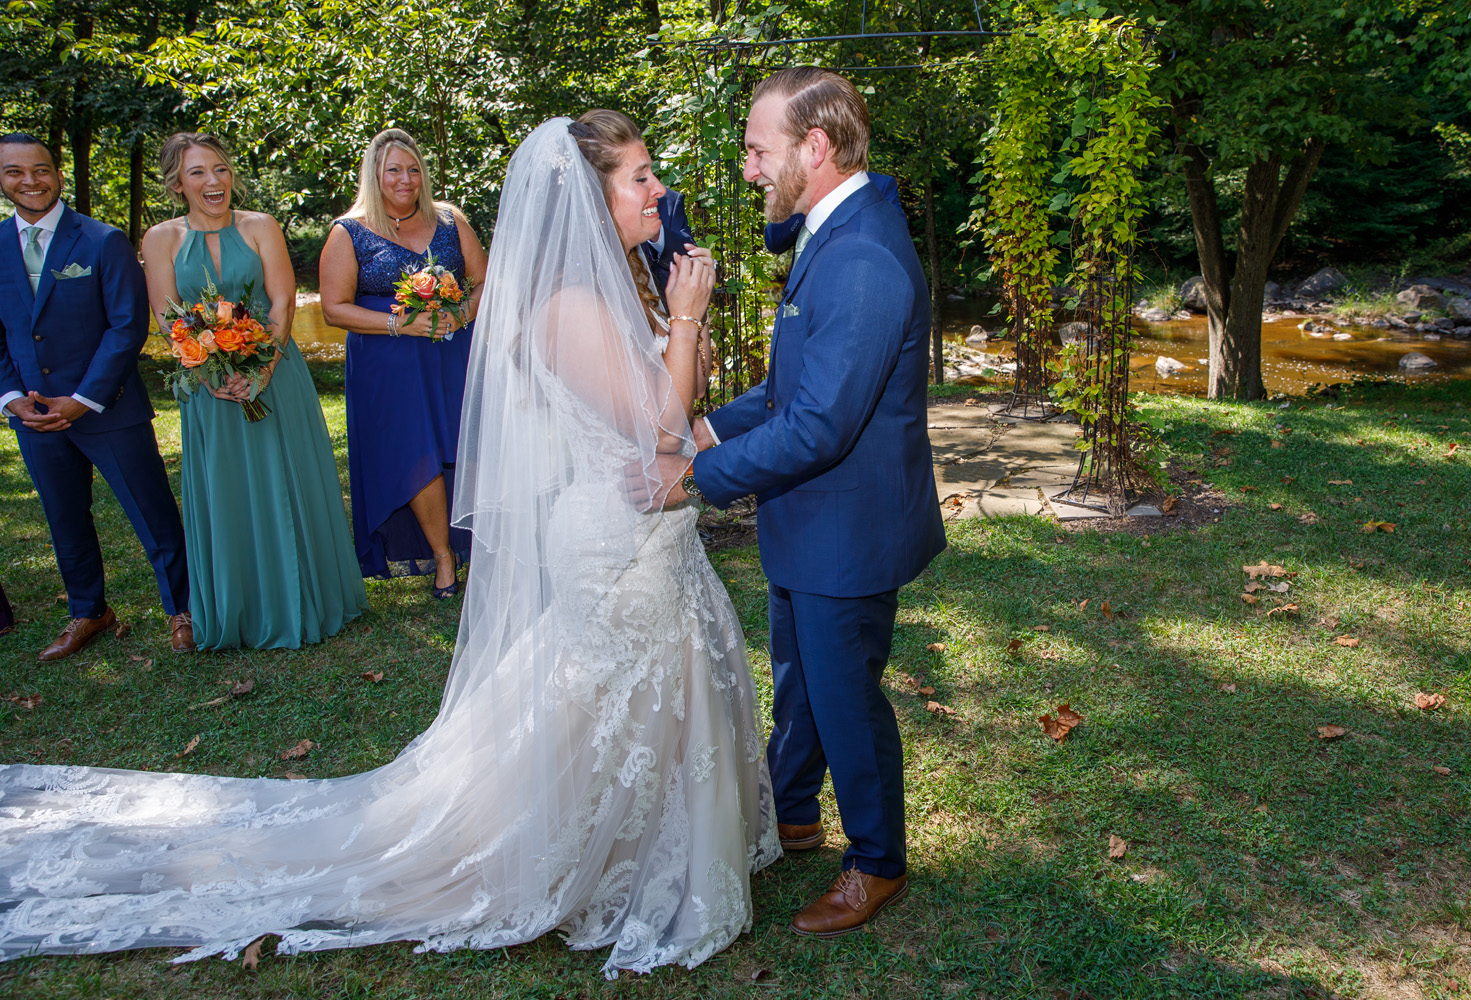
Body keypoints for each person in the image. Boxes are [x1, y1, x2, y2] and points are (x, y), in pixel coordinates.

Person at [0, 113, 777, 976]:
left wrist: (680, 321)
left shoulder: (621, 279)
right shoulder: (567, 304)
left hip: (645, 526)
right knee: (608, 700)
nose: (657, 188)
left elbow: (677, 404)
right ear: (592, 198)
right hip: (613, 532)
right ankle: (587, 854)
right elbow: (661, 430)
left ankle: (658, 840)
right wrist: (686, 319)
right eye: (639, 176)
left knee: (628, 697)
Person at [688, 68, 947, 938]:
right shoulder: (833, 228)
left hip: (847, 529)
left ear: (817, 146)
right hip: (810, 523)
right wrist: (705, 429)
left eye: (757, 150)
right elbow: (791, 387)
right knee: (801, 682)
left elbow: (819, 426)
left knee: (845, 700)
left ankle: (877, 862)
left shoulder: (864, 256)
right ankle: (792, 812)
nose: (748, 168)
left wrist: (694, 479)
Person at [140, 133, 368, 650]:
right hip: (208, 387)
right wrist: (207, 373)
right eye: (198, 172)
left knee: (287, 481)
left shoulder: (261, 226)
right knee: (227, 491)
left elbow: (282, 303)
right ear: (177, 184)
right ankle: (240, 610)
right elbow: (168, 317)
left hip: (276, 375)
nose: (213, 181)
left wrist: (261, 372)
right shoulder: (161, 239)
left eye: (220, 169)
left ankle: (304, 600)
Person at [0, 133, 193, 659]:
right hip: (34, 415)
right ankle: (89, 612)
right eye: (15, 172)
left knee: (153, 513)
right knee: (64, 518)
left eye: (41, 169)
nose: (30, 181)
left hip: (110, 409)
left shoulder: (101, 240)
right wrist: (12, 398)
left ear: (58, 174)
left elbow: (127, 327)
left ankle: (184, 609)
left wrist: (83, 398)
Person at [319, 129, 486, 597]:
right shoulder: (348, 231)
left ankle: (484, 546)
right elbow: (333, 308)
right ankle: (443, 556)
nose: (405, 179)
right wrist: (398, 325)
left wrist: (461, 313)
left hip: (451, 353)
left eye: (413, 169)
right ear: (374, 174)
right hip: (387, 364)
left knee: (466, 443)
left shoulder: (450, 220)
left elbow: (484, 279)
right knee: (415, 453)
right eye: (394, 169)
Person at [763, 171, 904, 254]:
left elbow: (898, 241)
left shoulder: (881, 185)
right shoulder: (803, 186)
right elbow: (774, 242)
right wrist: (807, 202)